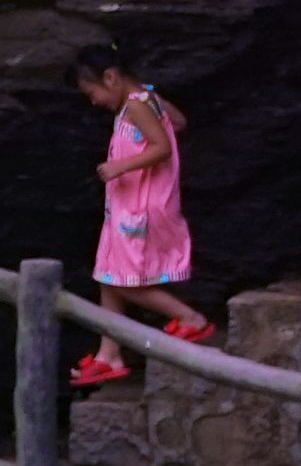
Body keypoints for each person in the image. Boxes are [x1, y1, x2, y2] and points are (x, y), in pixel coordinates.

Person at [70, 45, 210, 386]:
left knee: (119, 279)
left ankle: (189, 318)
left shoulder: (135, 105)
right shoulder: (145, 99)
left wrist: (121, 165)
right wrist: (151, 100)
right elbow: (177, 122)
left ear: (110, 77)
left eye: (93, 93)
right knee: (108, 272)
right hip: (126, 206)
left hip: (140, 208)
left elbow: (161, 146)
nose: (94, 102)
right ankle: (109, 353)